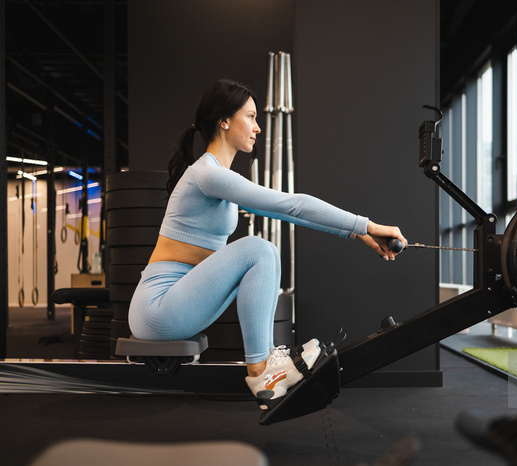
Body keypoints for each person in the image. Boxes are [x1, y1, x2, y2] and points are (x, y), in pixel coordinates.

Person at [128, 78, 407, 409]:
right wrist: (369, 224)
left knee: (259, 251)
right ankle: (262, 370)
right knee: (259, 250)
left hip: (177, 303)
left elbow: (292, 214)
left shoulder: (218, 177)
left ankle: (264, 363)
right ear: (224, 120)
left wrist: (358, 234)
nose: (257, 127)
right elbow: (293, 204)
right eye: (251, 116)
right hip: (158, 308)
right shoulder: (207, 173)